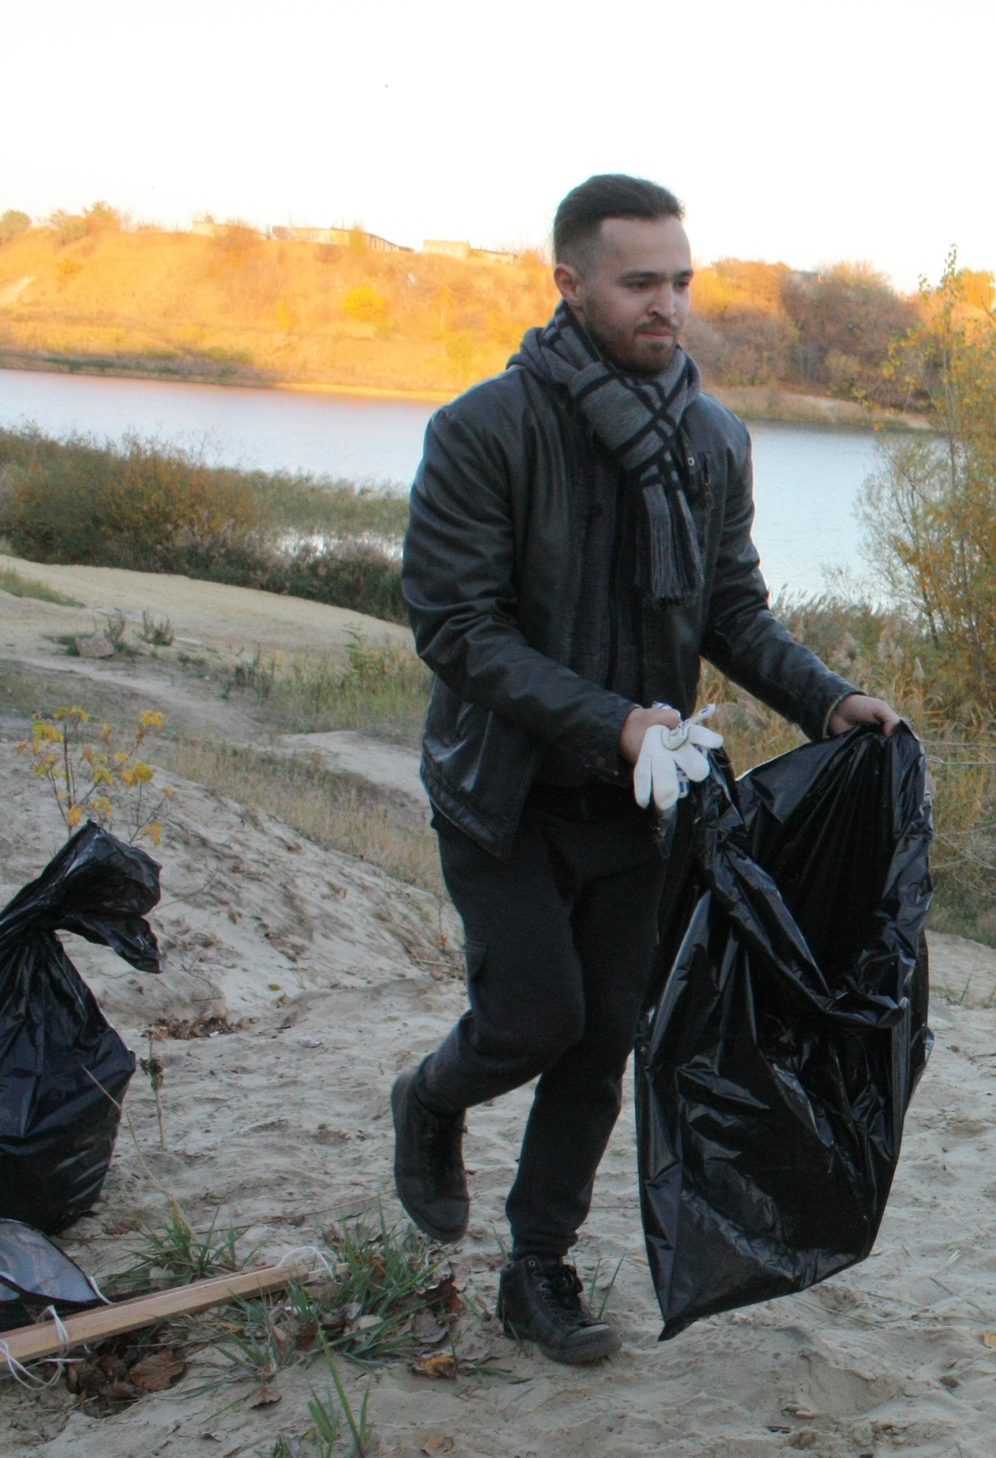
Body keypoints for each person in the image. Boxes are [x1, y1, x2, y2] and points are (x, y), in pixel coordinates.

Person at [390, 173, 898, 1364]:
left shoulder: (713, 439)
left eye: (681, 281)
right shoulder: (483, 431)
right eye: (640, 283)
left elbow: (732, 609)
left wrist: (827, 700)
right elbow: (455, 628)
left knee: (605, 1035)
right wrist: (614, 720)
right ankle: (428, 1100)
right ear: (570, 284)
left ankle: (538, 1270)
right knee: (530, 1019)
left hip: (642, 801)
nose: (668, 305)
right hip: (504, 794)